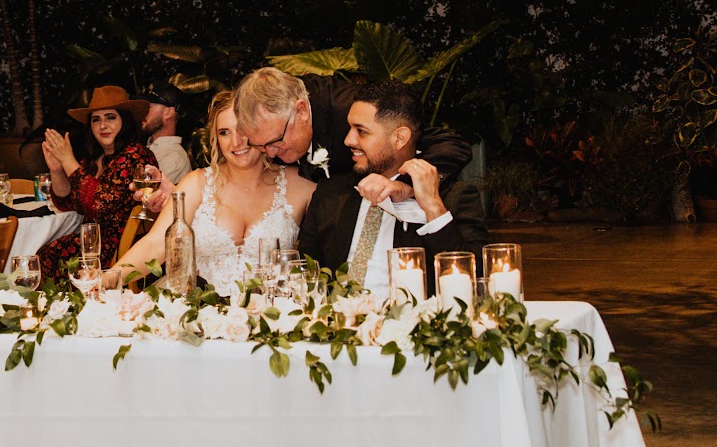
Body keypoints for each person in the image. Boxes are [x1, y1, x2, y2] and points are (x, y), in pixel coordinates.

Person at [103, 90, 315, 294]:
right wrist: (106, 281)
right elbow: (155, 245)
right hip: (200, 311)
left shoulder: (300, 184)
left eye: (243, 129)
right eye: (224, 133)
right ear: (216, 139)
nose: (235, 142)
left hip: (271, 311)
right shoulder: (196, 183)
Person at [299, 80, 487, 289]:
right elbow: (305, 272)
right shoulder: (332, 192)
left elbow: (473, 279)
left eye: (361, 131)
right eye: (350, 128)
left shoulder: (454, 197)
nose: (348, 140)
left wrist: (432, 207)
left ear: (399, 138)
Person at [235, 66, 474, 193]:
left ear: (302, 110)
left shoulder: (352, 113)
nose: (271, 154)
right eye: (260, 145)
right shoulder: (273, 124)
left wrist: (406, 184)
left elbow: (451, 144)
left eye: (276, 140)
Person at [40, 86, 157, 285]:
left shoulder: (136, 154)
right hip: (92, 243)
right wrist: (57, 170)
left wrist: (68, 160)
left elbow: (101, 203)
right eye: (96, 119)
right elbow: (66, 203)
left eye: (110, 117)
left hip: (121, 250)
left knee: (47, 256)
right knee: (43, 254)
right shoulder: (94, 159)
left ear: (125, 120)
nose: (103, 125)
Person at [142, 84, 192, 184]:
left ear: (168, 113)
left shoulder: (174, 157)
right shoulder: (149, 147)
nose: (143, 112)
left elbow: (145, 191)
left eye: (149, 107)